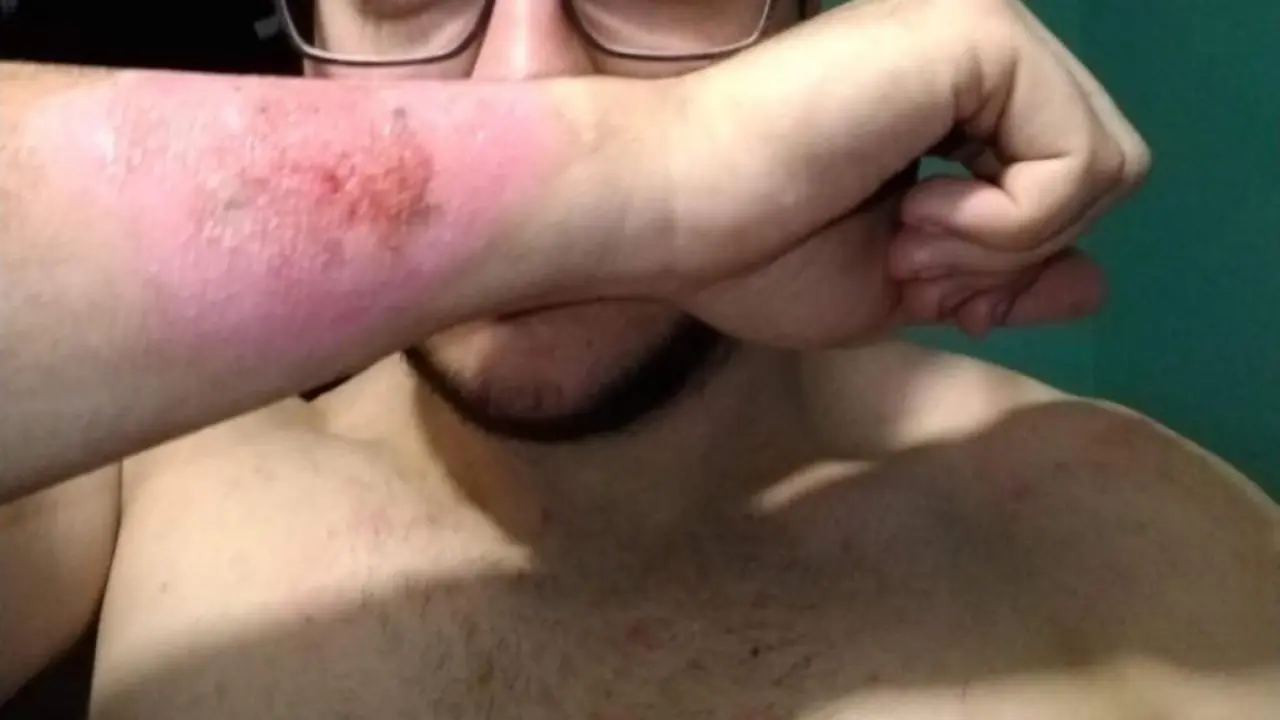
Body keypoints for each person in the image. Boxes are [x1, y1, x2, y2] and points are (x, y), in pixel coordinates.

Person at [1, 0, 1275, 717]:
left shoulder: (1130, 543)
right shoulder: (132, 481)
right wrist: (650, 177)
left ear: (824, 30)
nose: (527, 91)